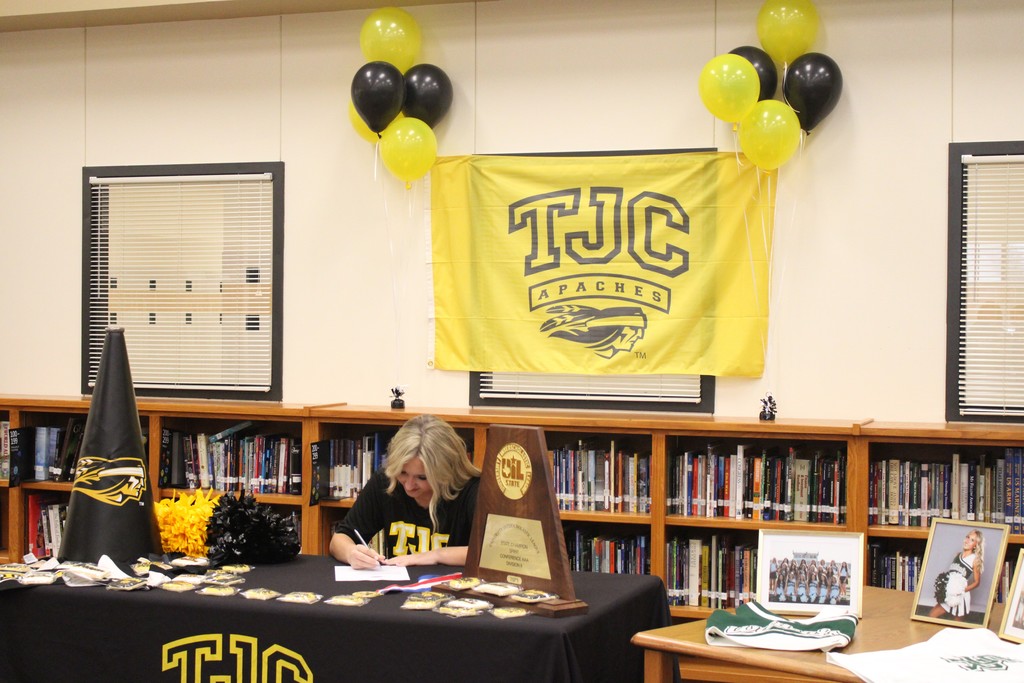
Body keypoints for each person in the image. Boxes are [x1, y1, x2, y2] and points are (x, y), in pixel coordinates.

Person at [329, 414, 481, 569]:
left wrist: (436, 555)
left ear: (445, 472)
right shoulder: (386, 481)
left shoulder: (473, 490)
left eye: (422, 477)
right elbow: (340, 538)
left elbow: (493, 555)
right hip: (398, 587)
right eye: (402, 473)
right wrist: (351, 553)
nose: (409, 486)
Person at [929, 529, 984, 620]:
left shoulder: (975, 560)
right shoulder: (957, 555)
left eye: (972, 540)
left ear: (975, 545)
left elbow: (977, 582)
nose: (967, 541)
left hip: (961, 596)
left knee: (957, 625)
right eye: (967, 537)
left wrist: (962, 590)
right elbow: (951, 575)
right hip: (949, 593)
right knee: (932, 615)